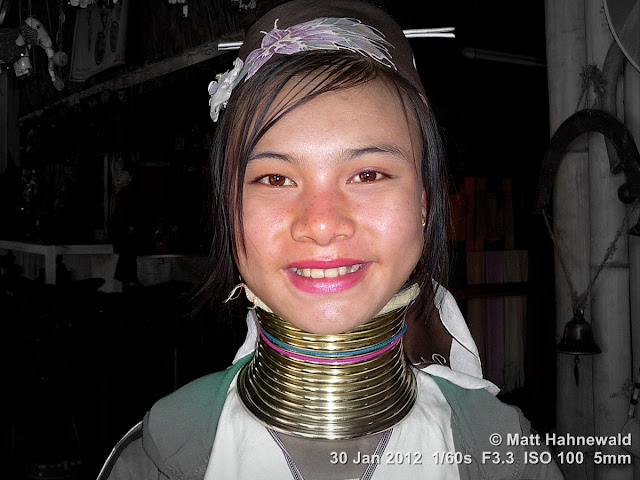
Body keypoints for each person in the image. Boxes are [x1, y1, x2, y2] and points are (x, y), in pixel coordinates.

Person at [97, 1, 563, 479]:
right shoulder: (166, 455)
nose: (320, 224)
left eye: (367, 173)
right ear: (228, 209)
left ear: (424, 204)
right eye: (275, 179)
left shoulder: (495, 450)